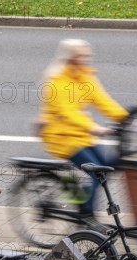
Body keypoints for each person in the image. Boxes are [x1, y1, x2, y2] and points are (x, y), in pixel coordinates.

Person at [39, 38, 129, 216]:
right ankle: (86, 215)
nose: (87, 58)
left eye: (88, 55)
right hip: (61, 136)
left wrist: (128, 119)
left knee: (107, 166)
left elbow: (103, 101)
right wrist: (94, 127)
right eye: (81, 56)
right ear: (70, 58)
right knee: (97, 172)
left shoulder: (85, 76)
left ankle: (82, 202)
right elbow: (67, 112)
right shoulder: (57, 80)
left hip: (81, 135)